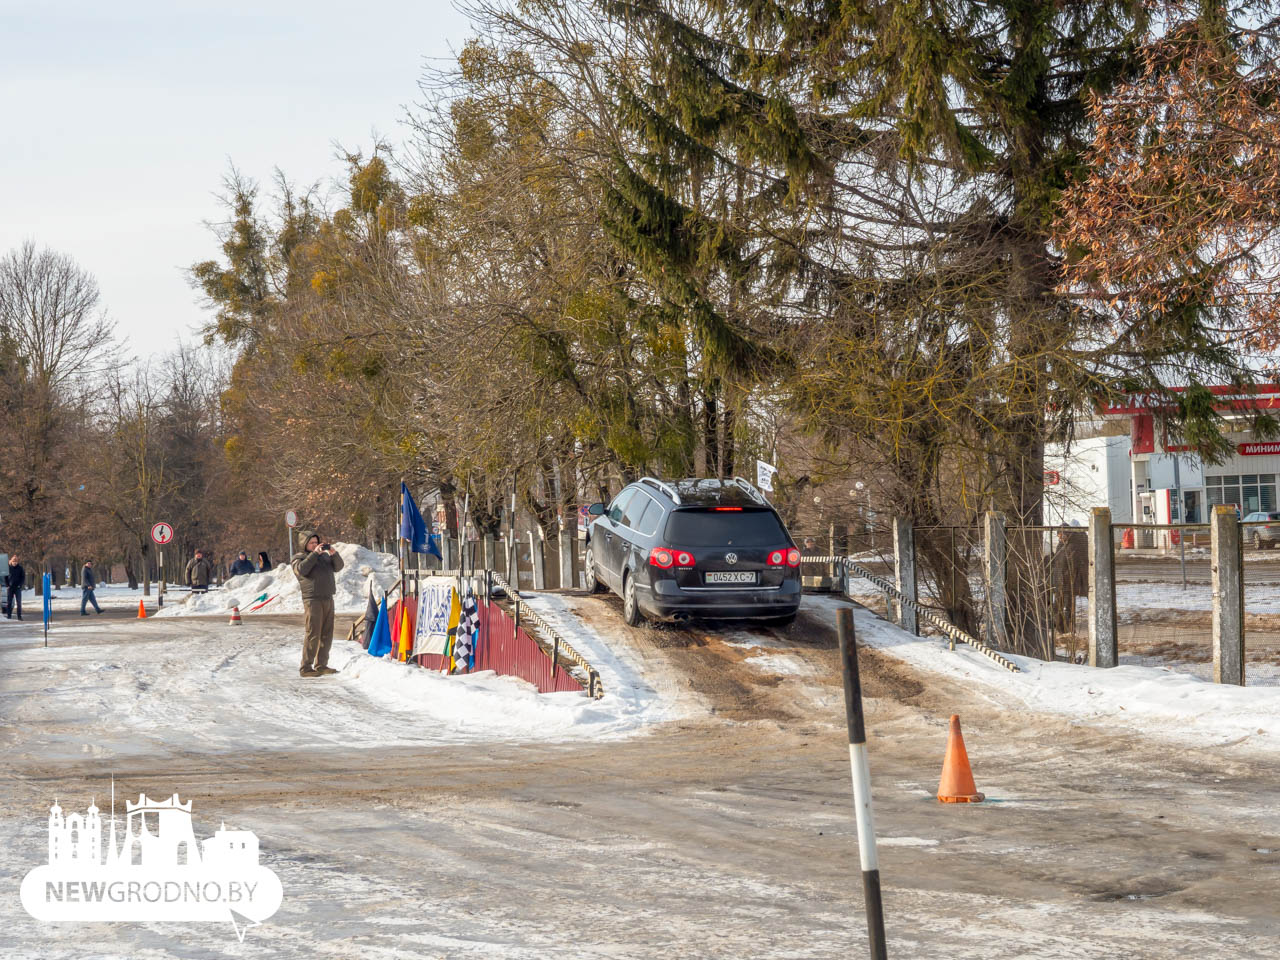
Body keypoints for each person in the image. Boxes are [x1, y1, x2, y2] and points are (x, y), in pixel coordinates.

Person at [291, 530, 344, 678]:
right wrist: (314, 553)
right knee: (313, 633)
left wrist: (333, 554)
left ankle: (321, 665)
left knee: (327, 634)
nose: (315, 545)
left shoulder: (323, 557)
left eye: (316, 542)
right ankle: (306, 667)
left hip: (327, 597)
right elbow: (302, 570)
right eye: (312, 543)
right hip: (312, 599)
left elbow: (338, 567)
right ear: (304, 544)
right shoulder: (298, 558)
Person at [5, 554, 24, 620]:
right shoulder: (8, 568)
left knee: (19, 603)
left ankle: (19, 616)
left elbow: (23, 577)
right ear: (11, 562)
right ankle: (9, 615)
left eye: (16, 562)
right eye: (13, 562)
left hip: (17, 588)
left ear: (17, 562)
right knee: (9, 602)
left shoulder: (20, 568)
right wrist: (7, 585)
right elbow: (6, 577)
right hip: (10, 588)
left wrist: (20, 585)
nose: (15, 563)